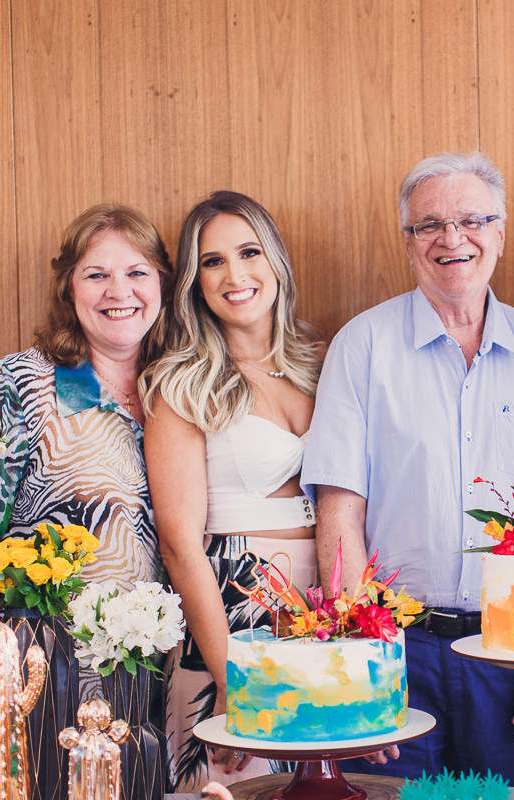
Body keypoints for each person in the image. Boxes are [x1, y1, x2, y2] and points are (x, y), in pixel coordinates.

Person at [301, 151, 514, 785]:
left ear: (501, 232)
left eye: (474, 220)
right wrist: (360, 665)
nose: (452, 239)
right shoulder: (361, 346)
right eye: (430, 225)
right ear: (408, 243)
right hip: (398, 649)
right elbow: (341, 512)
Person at [0, 203, 173, 758]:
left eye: (137, 272)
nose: (120, 291)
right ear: (68, 288)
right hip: (35, 687)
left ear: (161, 282)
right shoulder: (17, 384)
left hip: (144, 705)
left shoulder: (177, 392)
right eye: (97, 275)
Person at [141, 191, 322, 790]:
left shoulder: (320, 368)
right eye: (213, 261)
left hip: (319, 614)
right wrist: (228, 679)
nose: (235, 274)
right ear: (194, 282)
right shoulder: (182, 383)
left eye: (249, 252)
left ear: (276, 262)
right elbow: (180, 546)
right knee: (234, 785)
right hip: (231, 611)